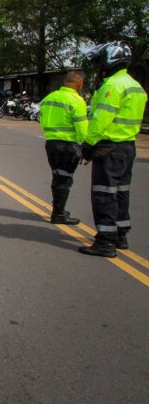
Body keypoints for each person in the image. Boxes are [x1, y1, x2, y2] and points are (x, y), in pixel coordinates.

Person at [79, 41, 147, 257]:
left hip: (109, 147)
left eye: (100, 60)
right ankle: (120, 235)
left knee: (104, 193)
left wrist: (88, 146)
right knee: (121, 192)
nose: (98, 66)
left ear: (111, 59)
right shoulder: (135, 86)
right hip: (128, 146)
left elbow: (100, 120)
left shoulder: (112, 86)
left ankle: (105, 241)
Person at [39, 70, 88, 225]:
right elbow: (82, 128)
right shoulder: (77, 100)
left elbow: (42, 119)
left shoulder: (49, 98)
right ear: (79, 83)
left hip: (52, 143)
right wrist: (86, 149)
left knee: (57, 176)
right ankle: (58, 214)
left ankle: (58, 210)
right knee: (65, 179)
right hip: (68, 145)